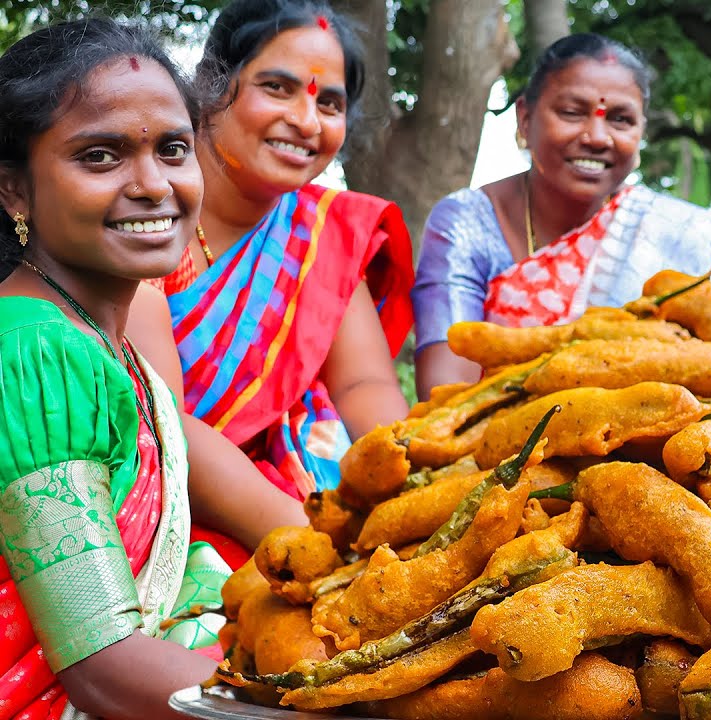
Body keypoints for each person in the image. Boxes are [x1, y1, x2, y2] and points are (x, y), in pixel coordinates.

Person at [0, 18, 244, 719]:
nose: (152, 185)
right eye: (100, 156)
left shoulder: (96, 341)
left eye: (173, 149)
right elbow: (103, 669)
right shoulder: (37, 354)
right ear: (14, 190)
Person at [142, 0, 415, 508]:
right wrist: (300, 536)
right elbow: (157, 426)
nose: (307, 121)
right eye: (277, 88)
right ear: (214, 82)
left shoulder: (322, 233)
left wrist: (408, 487)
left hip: (297, 497)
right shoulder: (144, 207)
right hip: (159, 501)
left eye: (329, 103)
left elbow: (363, 385)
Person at [412, 33, 711, 396]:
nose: (597, 136)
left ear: (642, 130)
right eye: (571, 112)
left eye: (621, 119)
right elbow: (447, 393)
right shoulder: (469, 222)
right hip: (491, 446)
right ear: (524, 119)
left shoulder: (681, 237)